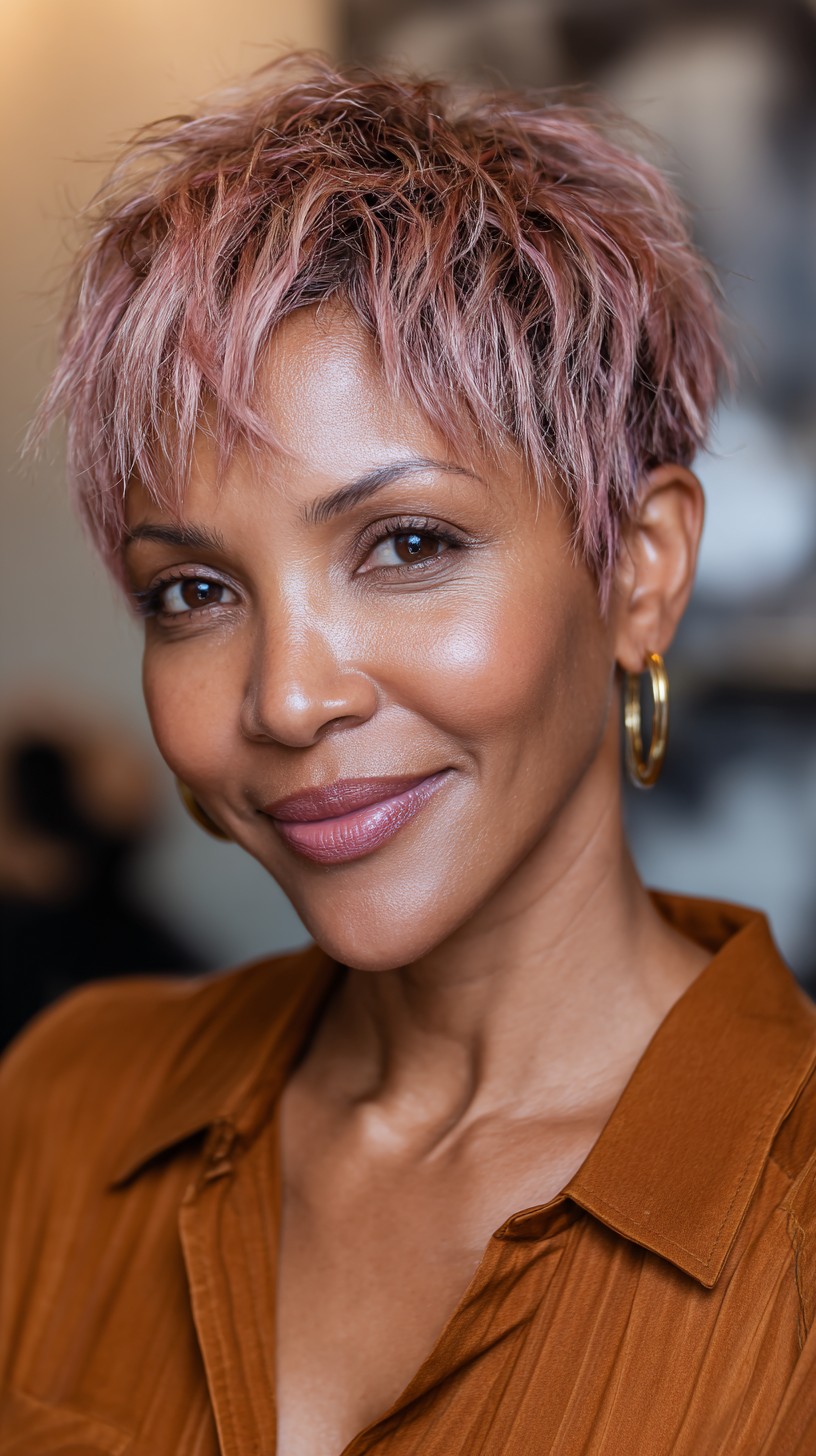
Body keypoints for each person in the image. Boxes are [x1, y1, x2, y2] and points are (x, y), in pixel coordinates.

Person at [1, 51, 815, 1456]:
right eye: (193, 591)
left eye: (408, 545)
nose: (287, 699)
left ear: (640, 571)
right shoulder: (66, 1107)